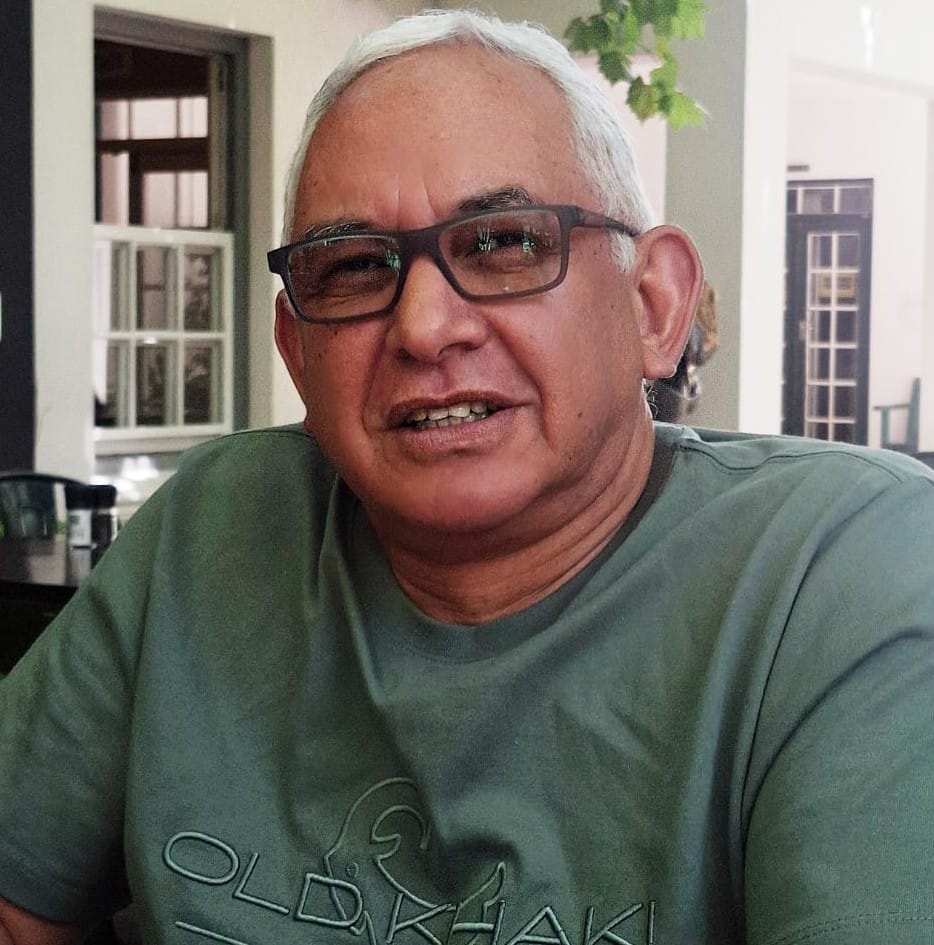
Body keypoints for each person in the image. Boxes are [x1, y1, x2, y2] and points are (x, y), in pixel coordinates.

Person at [2, 9, 934, 945]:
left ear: (654, 305)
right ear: (296, 352)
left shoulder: (843, 572)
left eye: (503, 243)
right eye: (357, 266)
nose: (423, 326)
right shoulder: (213, 525)